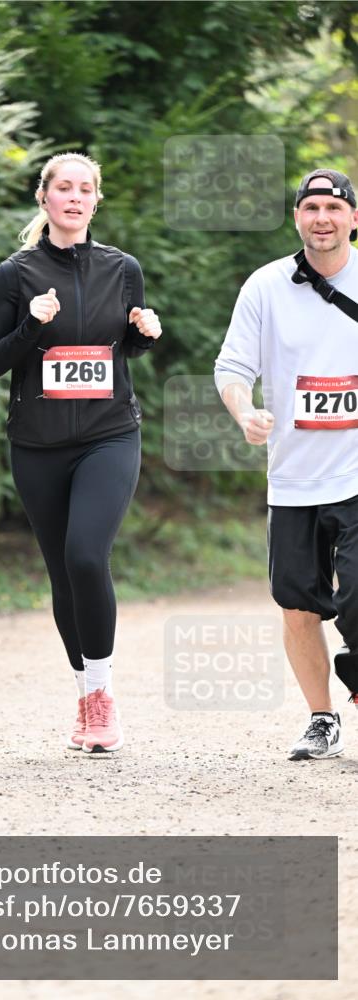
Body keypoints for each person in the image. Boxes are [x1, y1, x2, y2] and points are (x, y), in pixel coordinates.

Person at [0, 152, 161, 753]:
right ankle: (84, 695)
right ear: (44, 198)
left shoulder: (123, 269)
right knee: (61, 572)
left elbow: (121, 350)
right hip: (38, 444)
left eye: (85, 189)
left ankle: (103, 699)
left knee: (85, 556)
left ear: (96, 201)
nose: (75, 198)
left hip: (109, 434)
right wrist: (30, 325)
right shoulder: (15, 274)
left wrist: (143, 334)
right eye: (64, 188)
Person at [215, 168, 358, 761]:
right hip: (294, 477)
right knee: (297, 604)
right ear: (297, 217)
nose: (322, 218)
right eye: (311, 207)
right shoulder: (266, 286)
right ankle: (322, 719)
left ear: (354, 218)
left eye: (334, 207)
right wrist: (244, 412)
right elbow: (232, 367)